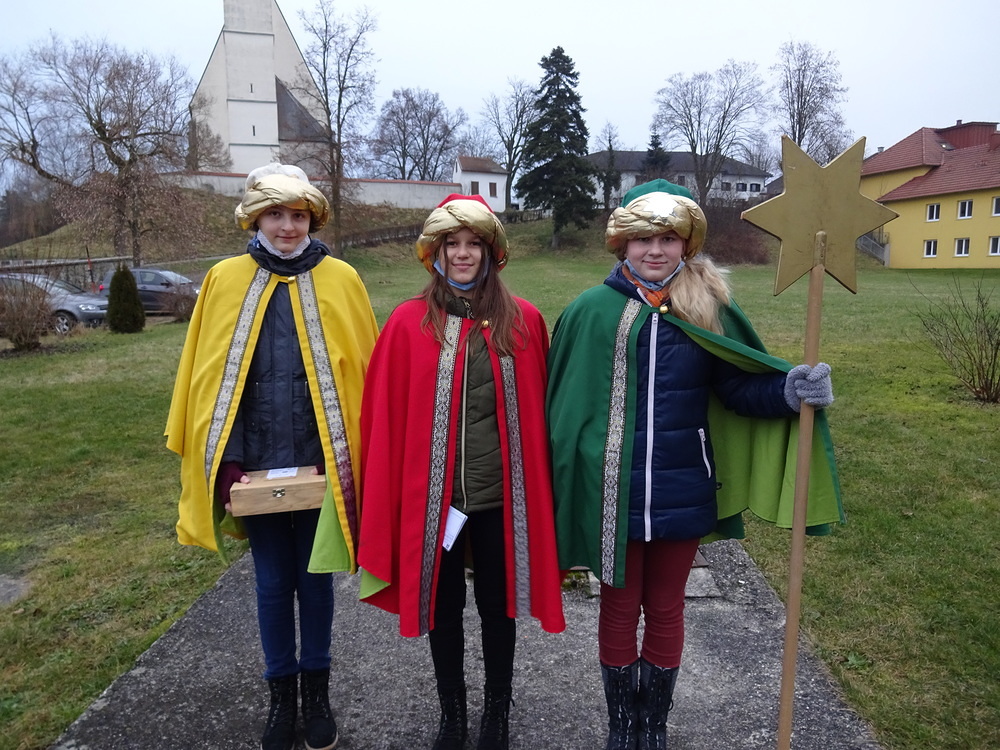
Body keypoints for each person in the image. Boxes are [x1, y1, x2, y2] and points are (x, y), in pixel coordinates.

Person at [546, 180, 842, 750]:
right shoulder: (590, 310)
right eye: (643, 239)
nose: (655, 250)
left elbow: (738, 388)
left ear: (686, 244)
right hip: (613, 493)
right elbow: (562, 402)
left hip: (683, 487)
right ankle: (621, 725)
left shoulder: (707, 308)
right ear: (622, 243)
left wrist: (789, 390)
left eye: (668, 239)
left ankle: (654, 725)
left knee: (665, 608)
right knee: (618, 608)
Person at [165, 163, 378, 750]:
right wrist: (229, 461)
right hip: (253, 466)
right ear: (255, 218)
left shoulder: (342, 280)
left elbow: (362, 375)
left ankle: (317, 693)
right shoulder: (225, 280)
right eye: (276, 214)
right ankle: (281, 695)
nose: (288, 226)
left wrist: (341, 457)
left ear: (313, 218)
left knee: (315, 580)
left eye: (298, 215)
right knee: (271, 581)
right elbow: (210, 379)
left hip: (320, 464)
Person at [356, 194, 566, 750]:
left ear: (492, 252)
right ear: (437, 251)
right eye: (453, 243)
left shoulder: (523, 321)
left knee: (499, 607)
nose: (464, 254)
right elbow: (383, 416)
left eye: (475, 244)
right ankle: (452, 712)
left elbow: (542, 415)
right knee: (442, 607)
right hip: (436, 502)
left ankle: (497, 710)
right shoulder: (407, 323)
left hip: (501, 499)